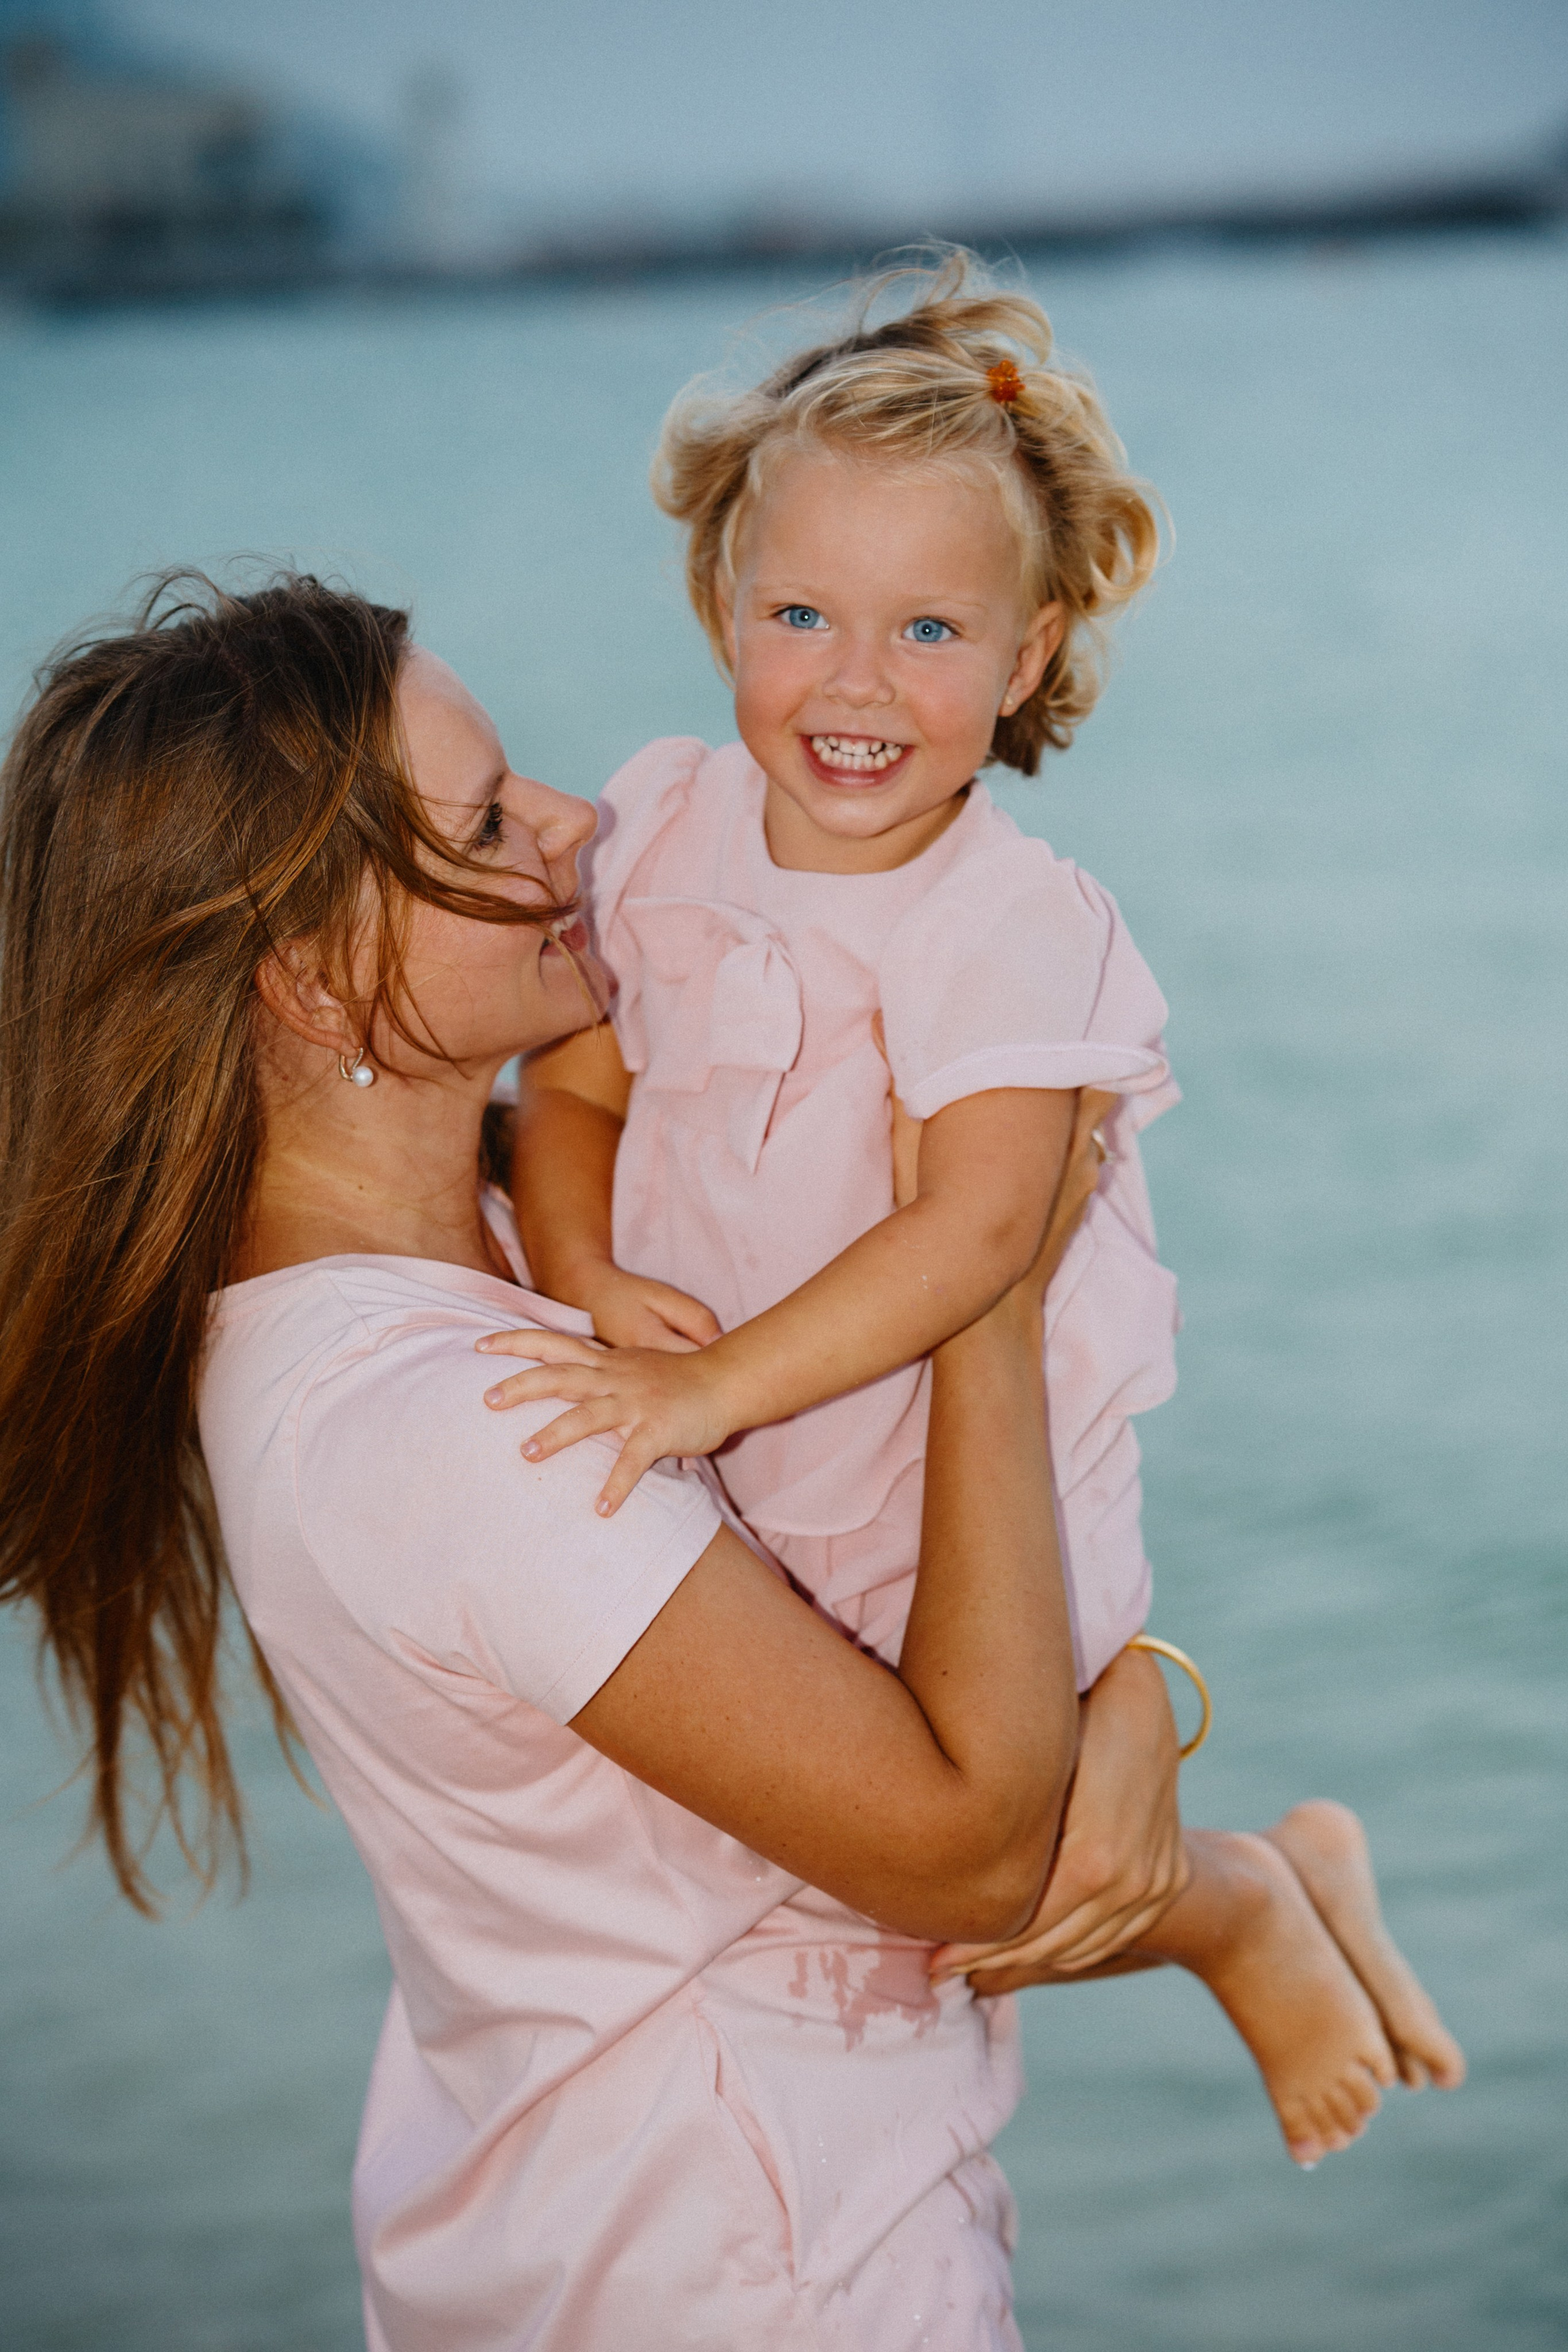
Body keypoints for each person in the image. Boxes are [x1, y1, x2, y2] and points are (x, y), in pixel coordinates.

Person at [0, 570, 1194, 2350]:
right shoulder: (462, 1428)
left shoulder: (510, 1235)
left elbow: (862, 1523)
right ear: (316, 978)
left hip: (595, 2209)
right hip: (737, 2270)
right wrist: (988, 1289)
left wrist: (1143, 1689)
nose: (587, 823)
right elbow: (964, 1854)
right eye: (488, 817)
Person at [491, 255, 1465, 2154]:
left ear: (1026, 661)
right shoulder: (670, 820)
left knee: (968, 1866)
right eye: (804, 613)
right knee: (833, 1848)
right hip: (766, 1434)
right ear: (719, 611)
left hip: (947, 1453)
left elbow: (978, 1240)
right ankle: (1287, 1870)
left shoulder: (1006, 927)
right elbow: (581, 1078)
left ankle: (1252, 1903)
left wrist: (707, 1392)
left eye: (932, 631)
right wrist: (588, 1262)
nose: (858, 683)